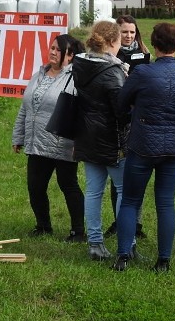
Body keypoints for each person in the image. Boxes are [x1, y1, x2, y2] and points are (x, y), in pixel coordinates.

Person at [114, 23, 175, 272]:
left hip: (142, 143)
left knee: (130, 200)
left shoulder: (142, 73)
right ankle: (164, 260)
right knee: (165, 202)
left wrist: (135, 112)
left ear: (154, 44)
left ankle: (123, 256)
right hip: (173, 145)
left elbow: (120, 105)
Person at [12, 33, 86, 242]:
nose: (52, 52)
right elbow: (25, 107)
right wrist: (19, 136)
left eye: (58, 49)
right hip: (37, 142)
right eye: (51, 48)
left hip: (63, 143)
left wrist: (78, 142)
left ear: (70, 55)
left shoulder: (75, 78)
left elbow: (81, 113)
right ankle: (43, 226)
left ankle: (78, 232)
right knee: (35, 186)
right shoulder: (39, 74)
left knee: (68, 184)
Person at [71, 21, 131, 261]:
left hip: (86, 135)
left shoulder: (81, 63)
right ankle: (128, 244)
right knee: (124, 191)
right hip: (112, 140)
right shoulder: (113, 71)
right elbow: (122, 111)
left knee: (94, 192)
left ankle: (95, 243)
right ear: (113, 42)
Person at [107, 14, 151, 239]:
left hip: (138, 117)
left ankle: (137, 222)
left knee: (135, 173)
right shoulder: (111, 55)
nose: (129, 36)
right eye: (124, 32)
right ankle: (118, 220)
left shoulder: (143, 54)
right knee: (118, 174)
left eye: (132, 32)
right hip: (117, 118)